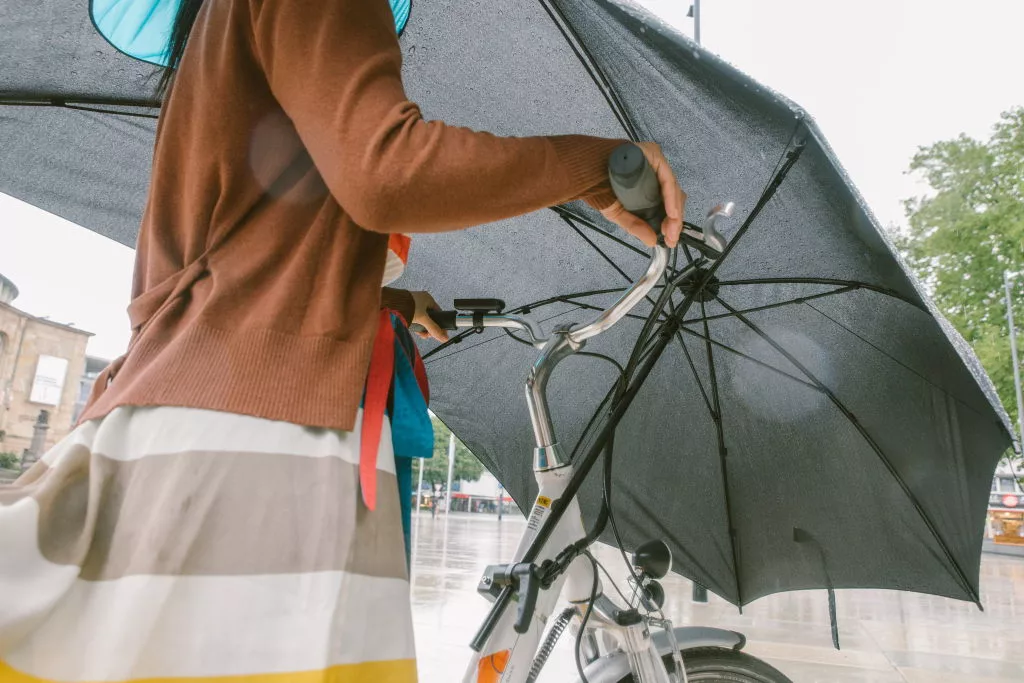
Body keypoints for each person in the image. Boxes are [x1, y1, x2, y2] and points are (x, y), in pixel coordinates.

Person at [0, 0, 685, 681]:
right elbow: (386, 170)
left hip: (192, 406)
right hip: (257, 437)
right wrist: (594, 165)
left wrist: (378, 297)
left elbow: (235, 254)